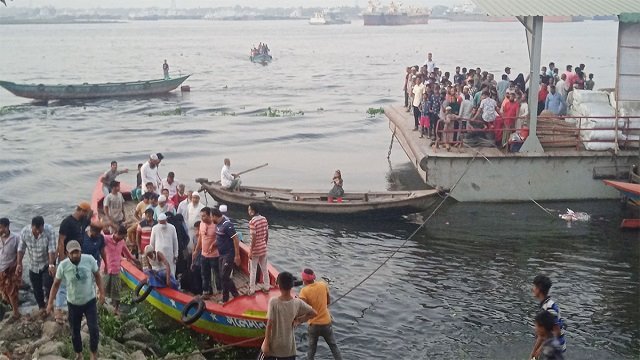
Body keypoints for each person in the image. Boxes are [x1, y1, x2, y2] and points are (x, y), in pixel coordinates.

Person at [47, 240, 105, 360]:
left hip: (90, 301)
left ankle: (93, 353)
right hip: (73, 303)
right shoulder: (63, 265)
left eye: (77, 252)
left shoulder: (89, 260)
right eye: (72, 253)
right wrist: (50, 303)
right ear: (67, 253)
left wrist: (102, 293)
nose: (75, 255)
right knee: (75, 331)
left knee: (94, 329)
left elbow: (97, 276)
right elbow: (56, 284)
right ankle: (79, 354)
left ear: (80, 251)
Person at [260, 271, 317, 360]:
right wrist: (299, 320)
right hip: (289, 349)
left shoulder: (274, 302)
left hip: (274, 348)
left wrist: (266, 343)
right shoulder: (297, 302)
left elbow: (269, 324)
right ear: (292, 286)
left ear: (279, 285)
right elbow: (314, 313)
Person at [57, 202, 93, 323]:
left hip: (78, 256)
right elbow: (61, 241)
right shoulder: (67, 222)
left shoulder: (82, 221)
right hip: (67, 255)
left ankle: (73, 309)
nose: (87, 215)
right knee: (62, 285)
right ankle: (59, 311)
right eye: (86, 212)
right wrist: (62, 260)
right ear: (81, 211)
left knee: (76, 282)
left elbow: (91, 216)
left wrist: (90, 212)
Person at [299, 269, 342, 360]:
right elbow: (328, 302)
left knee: (312, 349)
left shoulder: (304, 291)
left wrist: (298, 320)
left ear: (304, 280)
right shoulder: (323, 285)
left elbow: (303, 310)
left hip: (313, 325)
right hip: (326, 323)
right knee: (333, 346)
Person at [17, 216, 56, 314]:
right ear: (32, 226)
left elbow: (51, 249)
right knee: (36, 287)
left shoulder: (49, 230)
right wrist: (19, 264)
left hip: (47, 262)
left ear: (43, 226)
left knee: (48, 284)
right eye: (36, 229)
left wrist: (51, 265)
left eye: (40, 229)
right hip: (33, 263)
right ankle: (41, 307)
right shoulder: (24, 232)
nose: (38, 232)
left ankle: (50, 302)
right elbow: (21, 249)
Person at [530, 275, 566, 359]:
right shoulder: (545, 305)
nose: (532, 289)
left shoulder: (549, 307)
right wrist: (534, 351)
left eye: (534, 286)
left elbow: (556, 332)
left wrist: (540, 349)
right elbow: (542, 334)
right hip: (547, 345)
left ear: (539, 289)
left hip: (553, 348)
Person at [103, 224, 135, 315]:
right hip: (106, 269)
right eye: (121, 236)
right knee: (103, 290)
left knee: (116, 292)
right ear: (116, 233)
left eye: (123, 237)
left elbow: (128, 254)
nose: (121, 238)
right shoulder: (106, 239)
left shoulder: (122, 242)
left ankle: (116, 310)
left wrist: (135, 261)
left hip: (116, 269)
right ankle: (101, 308)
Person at [211, 208, 240, 303]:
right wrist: (214, 244)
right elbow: (220, 237)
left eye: (211, 217)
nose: (211, 219)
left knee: (224, 276)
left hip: (229, 254)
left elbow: (236, 239)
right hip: (221, 254)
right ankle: (235, 294)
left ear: (215, 216)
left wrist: (237, 256)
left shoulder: (227, 225)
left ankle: (225, 299)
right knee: (223, 276)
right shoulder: (218, 225)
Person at [192, 207, 221, 296]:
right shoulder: (201, 224)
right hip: (204, 255)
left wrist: (214, 245)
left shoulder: (216, 225)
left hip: (215, 255)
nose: (202, 218)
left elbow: (220, 238)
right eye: (201, 216)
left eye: (204, 216)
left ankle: (220, 291)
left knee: (217, 274)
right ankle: (206, 292)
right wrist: (196, 250)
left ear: (209, 215)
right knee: (204, 274)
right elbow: (200, 238)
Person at [0, 218, 21, 321]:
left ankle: (16, 313)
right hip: (1, 269)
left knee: (11, 291)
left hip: (11, 268)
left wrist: (17, 264)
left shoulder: (16, 238)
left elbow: (20, 252)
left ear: (6, 227)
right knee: (3, 293)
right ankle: (13, 309)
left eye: (0, 227)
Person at [247, 203, 269, 295]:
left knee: (253, 269)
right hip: (263, 247)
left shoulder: (252, 222)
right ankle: (267, 286)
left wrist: (251, 251)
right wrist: (265, 244)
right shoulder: (264, 219)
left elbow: (254, 237)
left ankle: (252, 290)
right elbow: (267, 233)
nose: (248, 211)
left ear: (252, 211)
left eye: (249, 209)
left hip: (255, 249)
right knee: (264, 268)